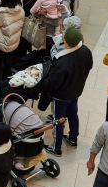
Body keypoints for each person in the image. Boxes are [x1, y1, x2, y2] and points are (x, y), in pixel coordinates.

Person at [30, 27, 92, 156]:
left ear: (66, 42)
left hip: (61, 96)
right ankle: (73, 139)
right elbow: (89, 66)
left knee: (58, 120)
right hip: (76, 91)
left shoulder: (62, 60)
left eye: (64, 36)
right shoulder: (86, 51)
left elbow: (52, 83)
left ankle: (56, 148)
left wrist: (42, 85)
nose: (62, 36)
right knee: (73, 114)